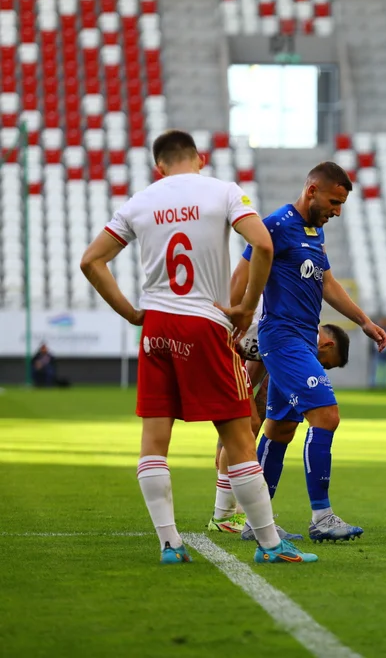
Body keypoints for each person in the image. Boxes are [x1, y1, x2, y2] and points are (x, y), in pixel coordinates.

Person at [79, 129, 316, 564]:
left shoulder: (138, 202)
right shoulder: (222, 192)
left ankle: (170, 544)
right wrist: (245, 307)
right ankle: (269, 545)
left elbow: (90, 261)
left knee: (153, 442)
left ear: (159, 166)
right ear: (200, 158)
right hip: (204, 324)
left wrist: (133, 313)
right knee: (239, 438)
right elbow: (262, 243)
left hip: (156, 329)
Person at [230, 161, 386, 544]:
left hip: (300, 339)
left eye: (341, 205)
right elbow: (241, 274)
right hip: (283, 338)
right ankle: (322, 516)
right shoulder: (275, 225)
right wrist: (232, 321)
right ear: (312, 189)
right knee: (327, 416)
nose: (337, 211)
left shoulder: (313, 232)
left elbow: (327, 283)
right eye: (334, 202)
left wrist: (364, 321)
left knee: (281, 428)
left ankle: (256, 522)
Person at [207, 296, 351, 538]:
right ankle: (225, 515)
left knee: (253, 424)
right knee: (245, 426)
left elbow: (256, 381)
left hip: (231, 350)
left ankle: (236, 516)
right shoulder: (283, 326)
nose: (319, 367)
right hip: (215, 346)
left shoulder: (285, 337)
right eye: (324, 364)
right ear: (326, 345)